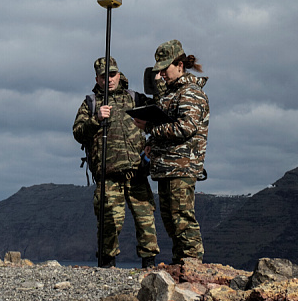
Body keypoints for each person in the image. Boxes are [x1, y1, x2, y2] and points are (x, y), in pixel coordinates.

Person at [73, 57, 160, 268]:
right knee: (109, 221)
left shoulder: (136, 99)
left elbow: (158, 115)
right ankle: (107, 264)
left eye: (112, 75)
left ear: (119, 75)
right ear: (98, 79)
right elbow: (78, 132)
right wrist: (96, 120)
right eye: (104, 76)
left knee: (145, 220)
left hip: (137, 172)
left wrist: (150, 146)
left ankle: (149, 265)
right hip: (108, 176)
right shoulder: (91, 103)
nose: (109, 79)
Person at [133, 40, 209, 265]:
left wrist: (149, 127)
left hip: (182, 167)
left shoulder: (190, 93)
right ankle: (181, 265)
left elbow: (186, 127)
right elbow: (169, 126)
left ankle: (193, 266)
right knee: (171, 220)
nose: (162, 75)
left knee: (182, 219)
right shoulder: (172, 94)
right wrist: (152, 142)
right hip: (167, 166)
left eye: (165, 69)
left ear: (179, 65)